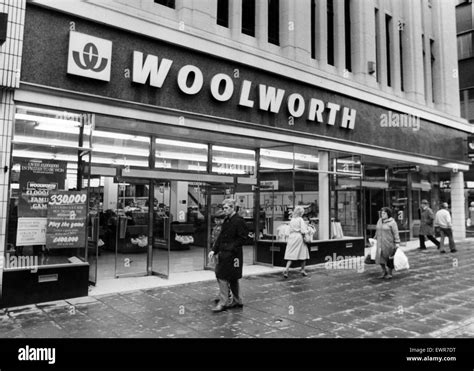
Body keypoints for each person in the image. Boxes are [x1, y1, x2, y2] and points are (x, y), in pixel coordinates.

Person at [208, 199, 249, 313]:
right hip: (228, 252)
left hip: (232, 254)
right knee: (232, 277)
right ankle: (237, 300)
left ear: (232, 208)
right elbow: (221, 237)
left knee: (222, 276)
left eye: (226, 208)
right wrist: (214, 250)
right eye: (224, 208)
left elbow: (243, 238)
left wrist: (230, 248)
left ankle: (223, 302)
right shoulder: (227, 220)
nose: (224, 210)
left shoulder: (238, 221)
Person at [283, 206, 310, 278]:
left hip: (291, 237)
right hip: (298, 237)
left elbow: (287, 230)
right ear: (301, 213)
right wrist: (308, 231)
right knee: (303, 253)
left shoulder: (292, 220)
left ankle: (286, 269)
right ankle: (302, 270)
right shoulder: (300, 219)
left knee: (291, 255)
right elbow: (303, 230)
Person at [374, 207, 400, 279]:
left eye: (384, 213)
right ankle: (384, 271)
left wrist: (397, 242)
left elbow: (396, 233)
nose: (382, 215)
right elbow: (377, 230)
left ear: (388, 214)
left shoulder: (392, 222)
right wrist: (374, 239)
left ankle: (390, 273)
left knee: (389, 258)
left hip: (388, 243)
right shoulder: (379, 221)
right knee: (380, 258)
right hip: (380, 243)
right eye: (381, 213)